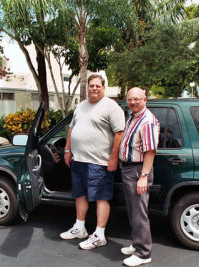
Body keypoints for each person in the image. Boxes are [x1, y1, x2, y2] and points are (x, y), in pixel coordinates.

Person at [60, 73, 125, 250]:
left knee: (100, 198)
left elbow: (119, 133)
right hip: (79, 160)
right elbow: (72, 128)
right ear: (87, 87)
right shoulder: (81, 106)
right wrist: (67, 149)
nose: (94, 88)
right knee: (79, 194)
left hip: (99, 162)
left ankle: (99, 235)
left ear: (103, 87)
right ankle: (80, 228)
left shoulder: (111, 107)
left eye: (98, 85)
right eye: (91, 85)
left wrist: (113, 158)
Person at [119, 87, 159, 267]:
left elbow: (150, 151)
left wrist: (143, 176)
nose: (133, 102)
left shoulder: (147, 121)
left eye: (136, 99)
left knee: (139, 213)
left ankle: (143, 253)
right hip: (129, 169)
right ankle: (137, 244)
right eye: (130, 99)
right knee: (133, 211)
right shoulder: (134, 116)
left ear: (145, 99)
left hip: (137, 171)